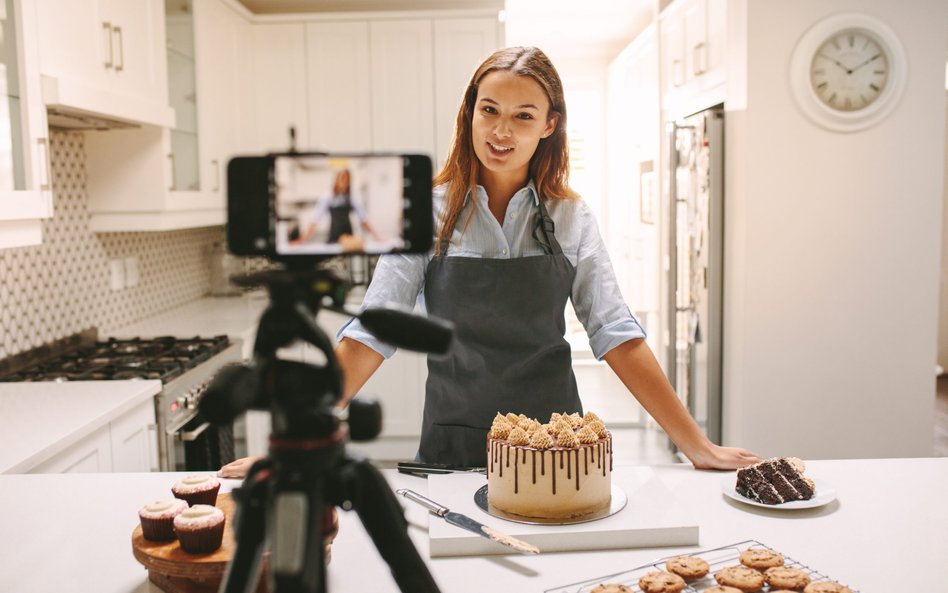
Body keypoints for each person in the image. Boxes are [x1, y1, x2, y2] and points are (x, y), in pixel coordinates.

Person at [220, 46, 758, 478]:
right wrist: (296, 441)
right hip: (455, 440)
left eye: (523, 116)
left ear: (549, 125)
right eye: (489, 111)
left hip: (556, 446)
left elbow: (616, 332)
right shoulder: (426, 214)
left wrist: (696, 444)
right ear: (470, 113)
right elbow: (372, 331)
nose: (501, 133)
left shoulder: (569, 218)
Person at [291, 168, 377, 250]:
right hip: (333, 238)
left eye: (347, 179)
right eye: (342, 178)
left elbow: (364, 219)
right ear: (337, 180)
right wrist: (301, 240)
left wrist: (376, 237)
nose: (344, 182)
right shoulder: (328, 197)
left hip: (348, 240)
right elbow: (315, 220)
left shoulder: (352, 198)